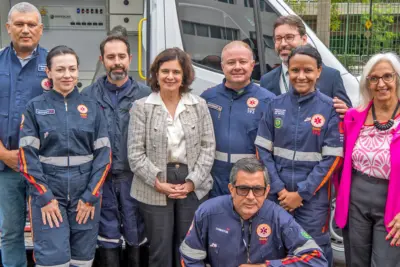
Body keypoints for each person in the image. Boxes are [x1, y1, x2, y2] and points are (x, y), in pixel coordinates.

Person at [19, 45, 111, 266]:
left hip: (85, 197)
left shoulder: (93, 107)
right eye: (60, 70)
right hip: (49, 196)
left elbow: (104, 157)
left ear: (78, 70)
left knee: (82, 260)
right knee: (53, 260)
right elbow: (26, 158)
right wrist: (45, 198)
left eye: (72, 69)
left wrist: (90, 197)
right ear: (49, 73)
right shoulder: (35, 108)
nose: (67, 75)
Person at [255, 45, 343, 267]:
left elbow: (332, 159)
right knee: (275, 247)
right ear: (288, 70)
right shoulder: (275, 105)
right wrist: (280, 190)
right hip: (278, 195)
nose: (301, 76)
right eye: (295, 70)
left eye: (308, 70)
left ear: (319, 72)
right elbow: (263, 151)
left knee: (313, 252)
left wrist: (301, 194)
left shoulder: (330, 108)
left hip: (313, 199)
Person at [127, 47, 215, 267]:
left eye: (176, 72)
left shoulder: (199, 105)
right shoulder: (141, 107)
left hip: (192, 182)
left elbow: (208, 146)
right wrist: (157, 183)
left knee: (189, 246)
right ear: (156, 74)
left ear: (184, 75)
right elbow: (135, 152)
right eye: (165, 71)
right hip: (154, 183)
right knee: (159, 248)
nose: (170, 76)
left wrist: (192, 182)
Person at [180, 158, 328, 267]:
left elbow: (316, 259)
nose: (250, 197)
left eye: (257, 190)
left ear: (267, 191)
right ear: (231, 189)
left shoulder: (279, 217)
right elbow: (190, 256)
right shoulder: (207, 213)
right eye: (243, 189)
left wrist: (267, 266)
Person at [82, 33, 151, 266]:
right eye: (111, 57)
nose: (117, 62)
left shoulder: (146, 96)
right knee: (107, 233)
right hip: (102, 178)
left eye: (121, 56)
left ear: (130, 59)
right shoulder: (88, 96)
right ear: (102, 60)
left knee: (136, 231)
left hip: (135, 178)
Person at [334, 52, 400, 266]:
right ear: (367, 83)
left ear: (396, 79)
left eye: (387, 77)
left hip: (393, 201)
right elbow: (342, 162)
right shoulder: (354, 117)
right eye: (374, 78)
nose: (381, 84)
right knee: (356, 261)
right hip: (356, 198)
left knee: (385, 262)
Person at [0, 2, 47, 266]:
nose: (25, 30)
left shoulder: (54, 65)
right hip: (6, 166)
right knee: (10, 231)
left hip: (43, 167)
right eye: (19, 24)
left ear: (40, 30)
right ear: (9, 28)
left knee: (47, 229)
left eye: (31, 25)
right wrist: (3, 154)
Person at [201, 40, 275, 198]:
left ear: (252, 64)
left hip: (251, 183)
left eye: (242, 62)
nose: (237, 67)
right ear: (222, 66)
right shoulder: (207, 98)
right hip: (215, 182)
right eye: (230, 62)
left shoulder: (268, 101)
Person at [259, 15, 351, 118]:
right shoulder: (266, 80)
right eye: (278, 38)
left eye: (289, 37)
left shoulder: (331, 76)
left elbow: (348, 116)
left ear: (304, 39)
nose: (283, 44)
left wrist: (347, 112)